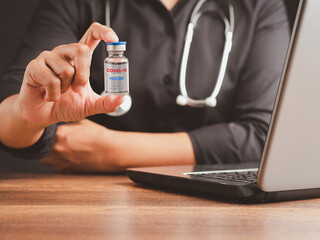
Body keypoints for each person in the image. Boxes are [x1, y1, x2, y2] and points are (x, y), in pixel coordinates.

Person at [0, 0, 290, 173]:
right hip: (91, 208)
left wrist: (112, 151)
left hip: (217, 207)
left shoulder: (260, 5)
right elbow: (11, 111)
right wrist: (27, 116)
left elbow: (265, 136)